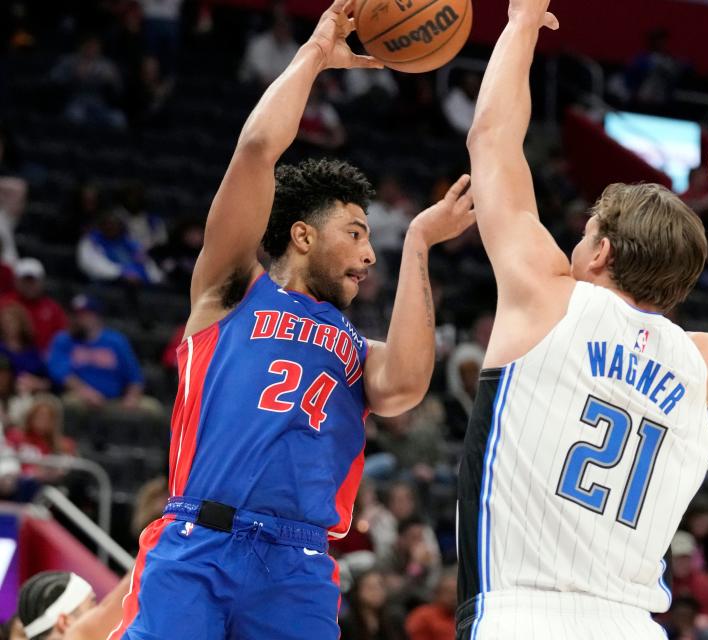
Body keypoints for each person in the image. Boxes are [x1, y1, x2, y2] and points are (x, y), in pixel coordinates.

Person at [457, 1, 708, 637]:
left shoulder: (546, 299)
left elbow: (491, 139)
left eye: (585, 235)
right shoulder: (697, 364)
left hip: (520, 616)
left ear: (599, 252)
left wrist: (519, 25)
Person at [108, 3, 474, 639]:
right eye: (356, 233)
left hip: (299, 565)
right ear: (302, 236)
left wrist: (417, 242)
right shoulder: (230, 292)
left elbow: (409, 384)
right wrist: (315, 52)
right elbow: (256, 149)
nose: (368, 254)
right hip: (199, 540)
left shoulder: (357, 348)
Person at [16, 570, 131, 640]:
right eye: (92, 605)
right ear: (65, 622)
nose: (97, 612)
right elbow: (133, 585)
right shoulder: (78, 635)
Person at [0, 259, 68, 352]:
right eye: (25, 281)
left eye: (33, 281)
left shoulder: (53, 308)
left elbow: (63, 338)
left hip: (43, 360)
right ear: (16, 281)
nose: (29, 285)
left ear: (42, 282)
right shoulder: (5, 303)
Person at [405, 567, 458, 640]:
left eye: (456, 593)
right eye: (449, 592)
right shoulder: (422, 616)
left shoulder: (465, 616)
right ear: (437, 593)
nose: (454, 597)